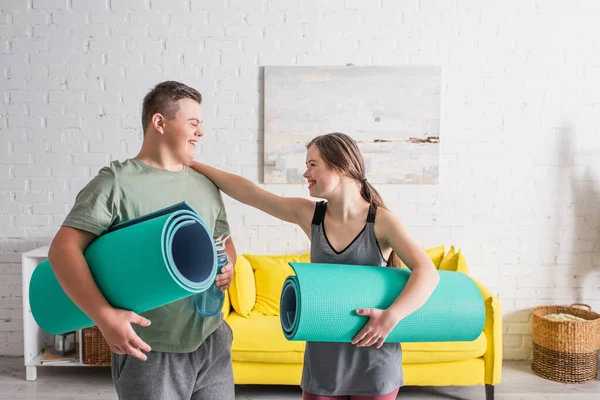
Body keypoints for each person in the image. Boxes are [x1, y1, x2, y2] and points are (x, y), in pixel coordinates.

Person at [186, 132, 440, 400]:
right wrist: (194, 165)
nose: (305, 173)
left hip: (374, 359)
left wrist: (391, 317)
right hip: (323, 360)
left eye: (312, 164)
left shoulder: (382, 222)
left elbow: (428, 273)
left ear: (340, 165)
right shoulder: (311, 215)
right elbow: (251, 193)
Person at [47, 81, 237, 400]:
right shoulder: (116, 183)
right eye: (193, 123)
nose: (201, 132)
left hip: (212, 340)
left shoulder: (206, 185)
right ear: (159, 122)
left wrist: (229, 262)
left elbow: (224, 241)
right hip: (150, 348)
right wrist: (105, 317)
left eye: (201, 124)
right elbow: (63, 250)